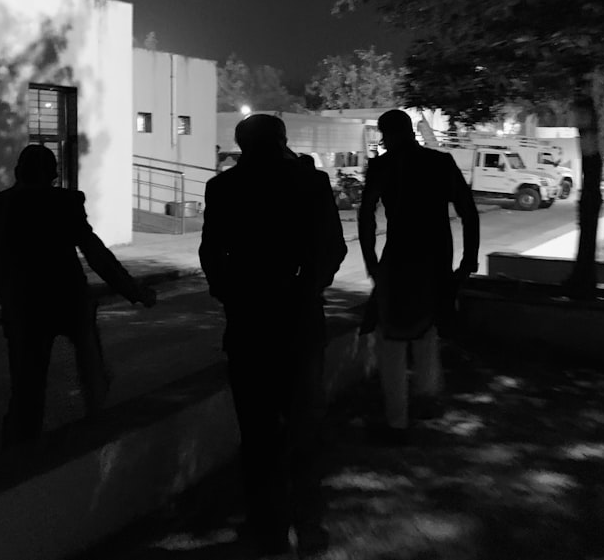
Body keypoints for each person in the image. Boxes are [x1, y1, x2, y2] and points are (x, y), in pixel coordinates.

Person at [199, 114, 347, 558]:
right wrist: (308, 288)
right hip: (299, 321)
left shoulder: (223, 187)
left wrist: (230, 294)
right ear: (282, 140)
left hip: (248, 322)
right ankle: (309, 525)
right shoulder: (311, 182)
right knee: (304, 427)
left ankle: (267, 528)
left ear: (242, 145)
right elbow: (333, 248)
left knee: (258, 431)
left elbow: (211, 250)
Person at [0, 145, 156, 449]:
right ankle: (97, 433)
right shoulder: (66, 202)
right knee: (92, 368)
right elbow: (96, 253)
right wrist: (133, 290)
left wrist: (7, 290)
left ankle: (20, 451)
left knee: (27, 383)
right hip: (68, 298)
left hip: (25, 303)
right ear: (54, 175)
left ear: (18, 172)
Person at [358, 109, 480, 442]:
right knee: (428, 330)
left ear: (386, 134)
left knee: (390, 338)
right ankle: (428, 401)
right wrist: (468, 260)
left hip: (399, 260)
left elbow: (366, 214)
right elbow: (468, 212)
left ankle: (397, 419)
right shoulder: (440, 163)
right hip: (437, 257)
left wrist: (371, 260)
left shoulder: (384, 166)